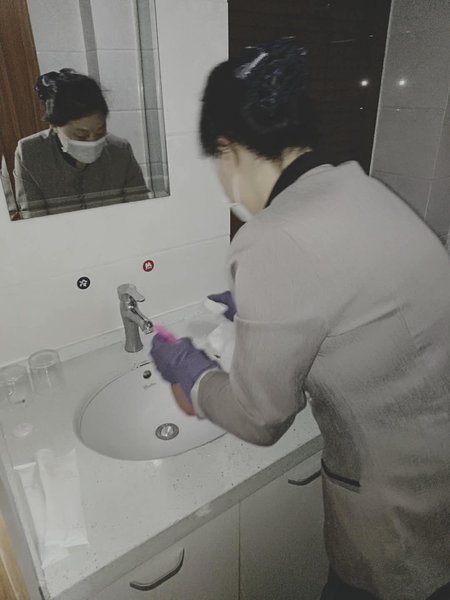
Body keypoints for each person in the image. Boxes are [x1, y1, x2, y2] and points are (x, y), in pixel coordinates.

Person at [150, 38, 450, 600]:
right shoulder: (360, 188)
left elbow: (260, 420)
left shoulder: (272, 238)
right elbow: (350, 288)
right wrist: (259, 303)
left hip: (396, 509)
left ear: (226, 148)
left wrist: (187, 368)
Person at [14, 69, 149, 218]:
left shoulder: (120, 151)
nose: (93, 141)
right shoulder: (30, 153)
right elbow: (33, 218)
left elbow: (140, 208)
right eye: (81, 135)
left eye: (100, 131)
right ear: (54, 126)